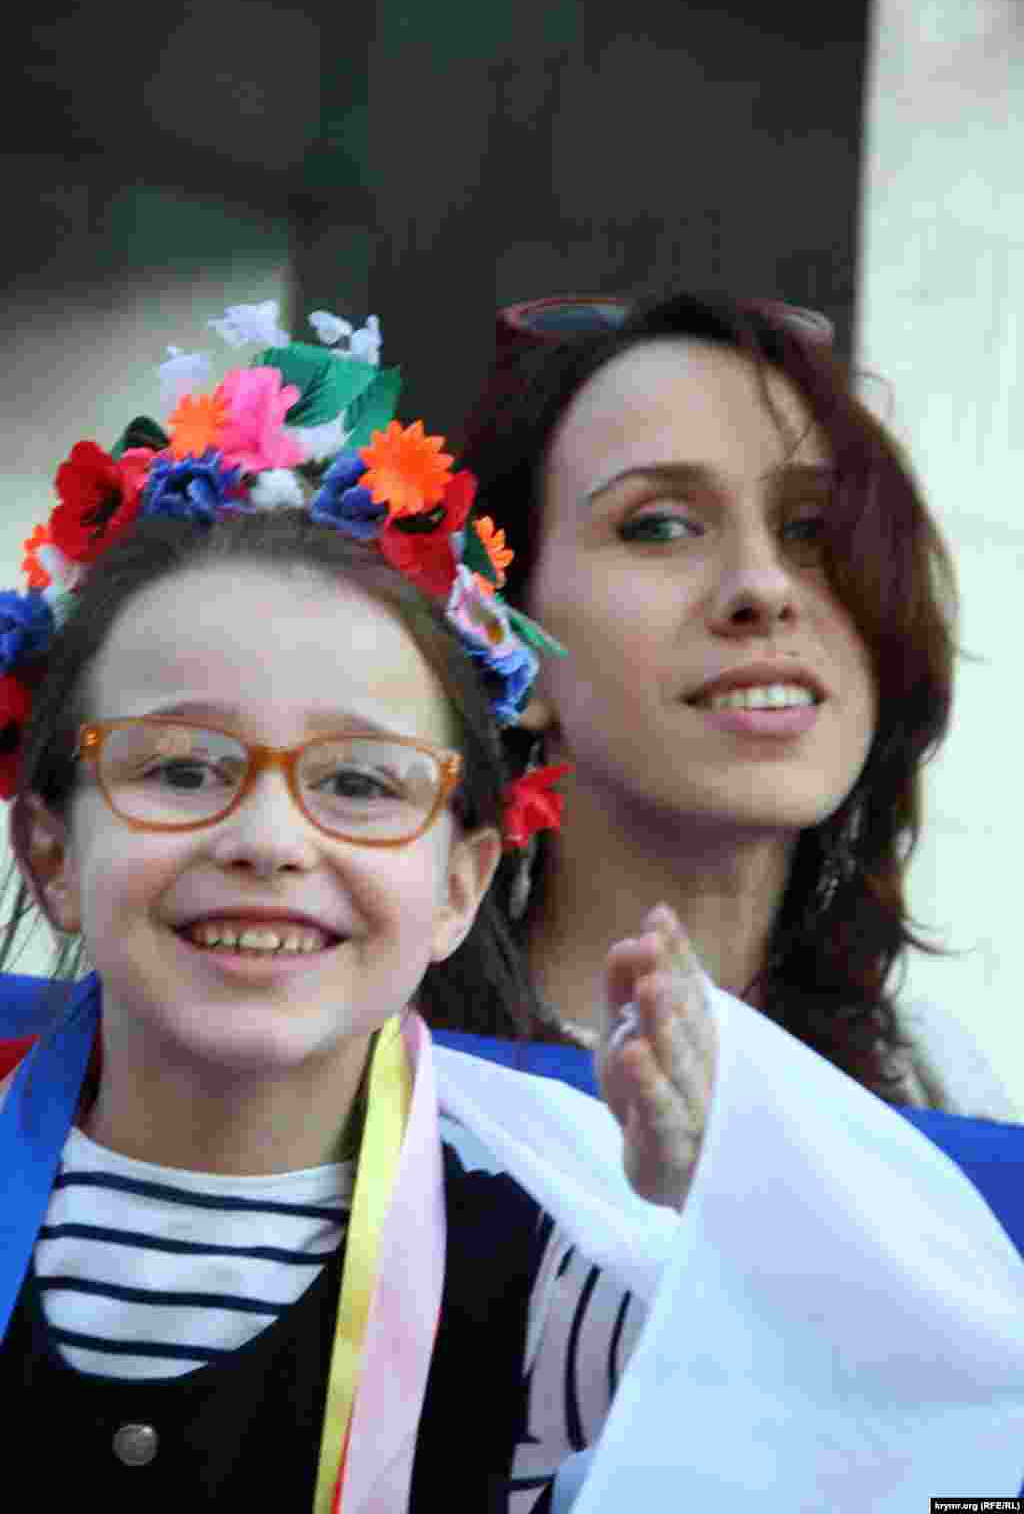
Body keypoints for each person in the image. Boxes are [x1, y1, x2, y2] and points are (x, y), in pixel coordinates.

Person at [0, 305, 1022, 1513]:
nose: (269, 839)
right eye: (182, 768)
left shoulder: (902, 1123)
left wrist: (743, 1228)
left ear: (460, 875)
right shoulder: (322, 1036)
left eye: (814, 530)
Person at [441, 290, 1018, 1125]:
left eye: (812, 529)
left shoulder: (938, 1090)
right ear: (505, 639)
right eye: (660, 526)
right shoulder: (370, 1088)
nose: (763, 587)